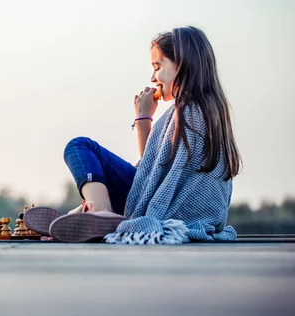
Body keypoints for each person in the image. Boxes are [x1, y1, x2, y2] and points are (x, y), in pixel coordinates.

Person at [25, 26, 242, 244]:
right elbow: (158, 171)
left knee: (79, 147)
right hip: (182, 211)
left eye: (157, 67)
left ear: (182, 65)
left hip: (164, 210)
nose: (153, 77)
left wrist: (142, 119)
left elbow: (152, 175)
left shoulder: (185, 113)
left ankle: (99, 211)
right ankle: (91, 215)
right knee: (96, 171)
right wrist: (145, 119)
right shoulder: (213, 112)